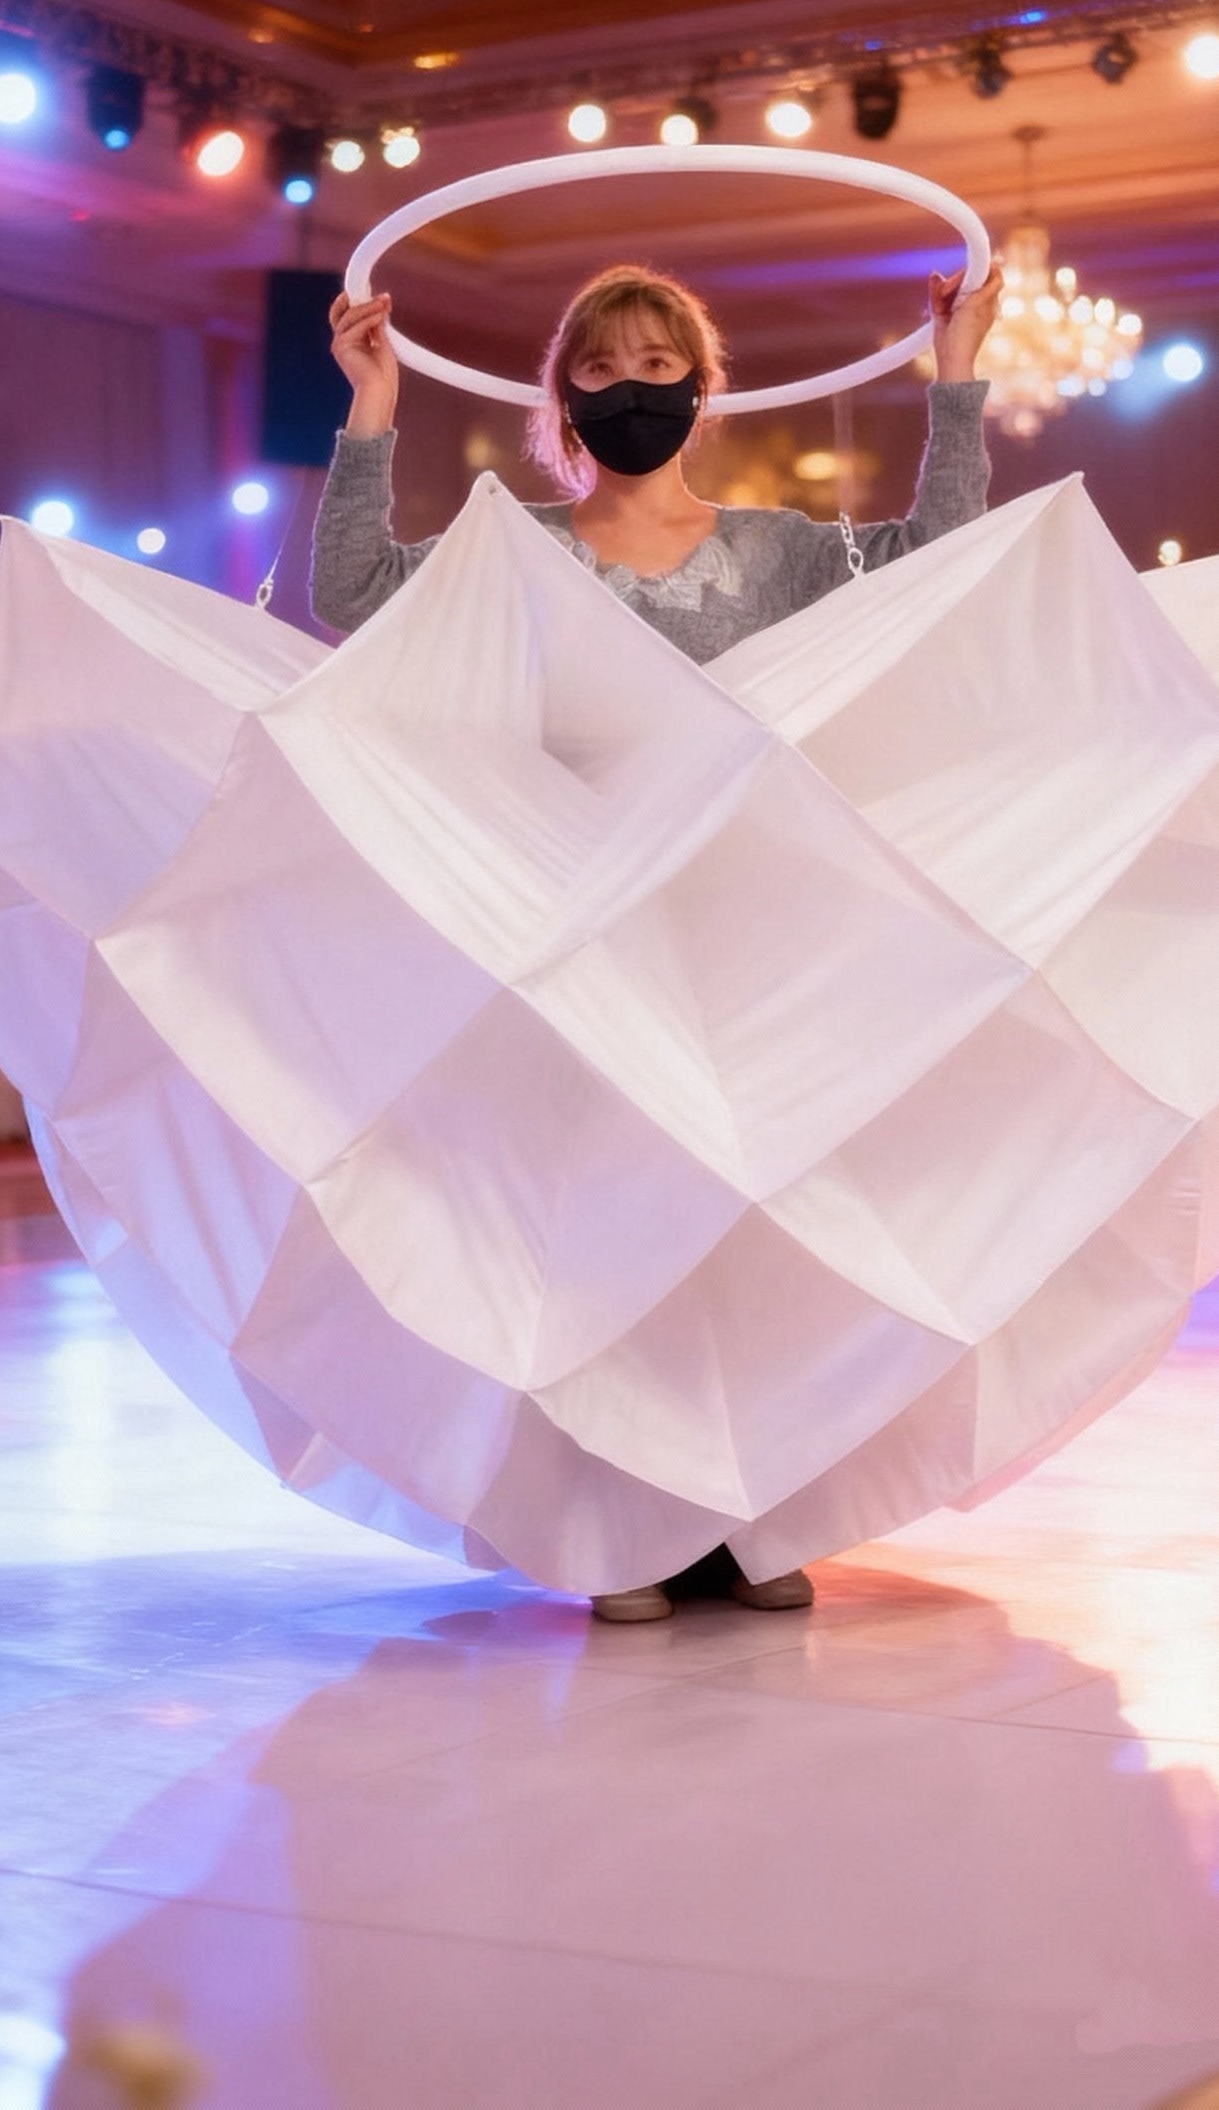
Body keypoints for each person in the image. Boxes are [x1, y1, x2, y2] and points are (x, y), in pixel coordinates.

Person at [310, 258, 1004, 1621]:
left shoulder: (787, 551)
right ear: (561, 397)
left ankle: (751, 1511)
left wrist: (957, 374)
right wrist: (372, 404)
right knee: (603, 1224)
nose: (630, 387)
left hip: (742, 928)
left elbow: (939, 562)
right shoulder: (514, 550)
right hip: (575, 927)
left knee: (746, 1224)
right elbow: (353, 591)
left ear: (701, 386)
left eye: (656, 364)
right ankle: (620, 1523)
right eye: (601, 366)